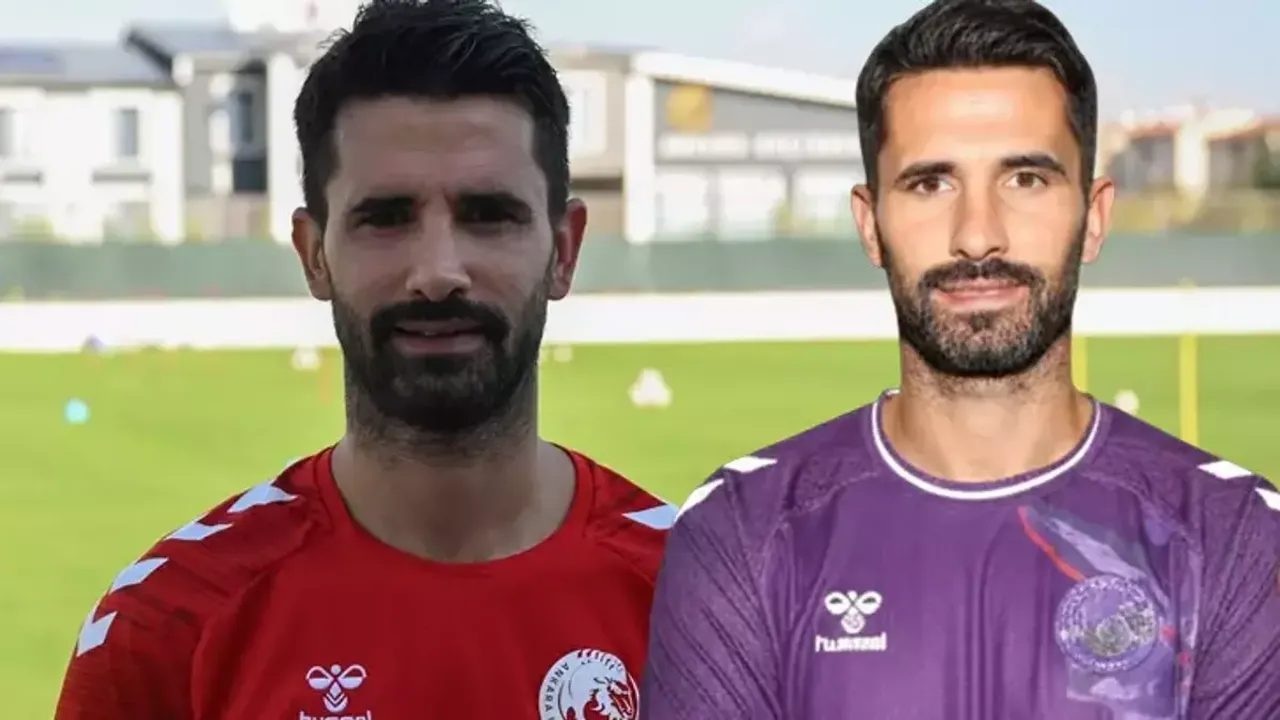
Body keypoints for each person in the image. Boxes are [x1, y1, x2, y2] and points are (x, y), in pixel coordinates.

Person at [640, 1, 1280, 718]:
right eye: (930, 183)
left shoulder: (1234, 538)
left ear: (1094, 216)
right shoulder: (744, 534)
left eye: (1026, 179)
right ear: (870, 224)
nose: (978, 236)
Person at [55, 1, 672, 718]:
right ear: (313, 255)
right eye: (385, 218)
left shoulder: (707, 604)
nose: (438, 272)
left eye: (488, 215)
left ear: (564, 250)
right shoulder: (167, 627)